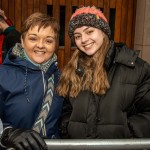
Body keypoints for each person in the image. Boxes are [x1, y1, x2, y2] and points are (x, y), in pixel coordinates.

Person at [57, 6, 150, 139]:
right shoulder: (72, 69)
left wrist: (125, 132)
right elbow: (66, 109)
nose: (83, 40)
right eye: (77, 36)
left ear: (103, 32)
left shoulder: (136, 68)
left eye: (89, 32)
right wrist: (68, 128)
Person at [0, 12, 63, 150]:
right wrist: (7, 133)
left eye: (48, 40)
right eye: (33, 39)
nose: (40, 45)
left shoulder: (62, 77)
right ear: (22, 41)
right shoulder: (3, 75)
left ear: (55, 45)